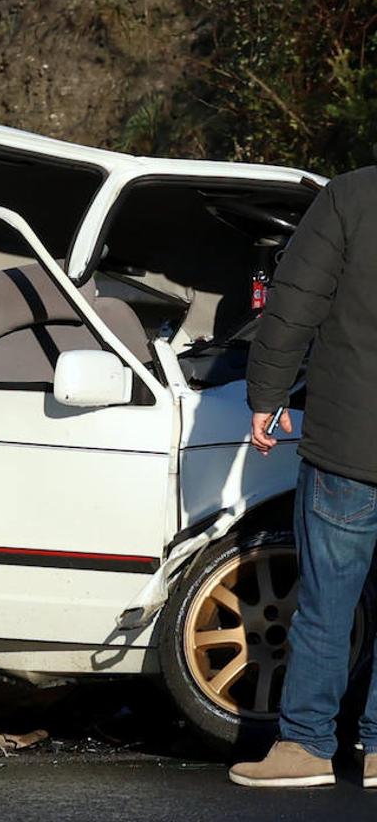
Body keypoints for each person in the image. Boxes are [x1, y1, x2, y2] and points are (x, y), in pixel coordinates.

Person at [231, 169, 377, 788]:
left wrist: (265, 394)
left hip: (349, 441)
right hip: (347, 442)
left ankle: (307, 747)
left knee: (326, 604)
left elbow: (293, 303)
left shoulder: (351, 195)